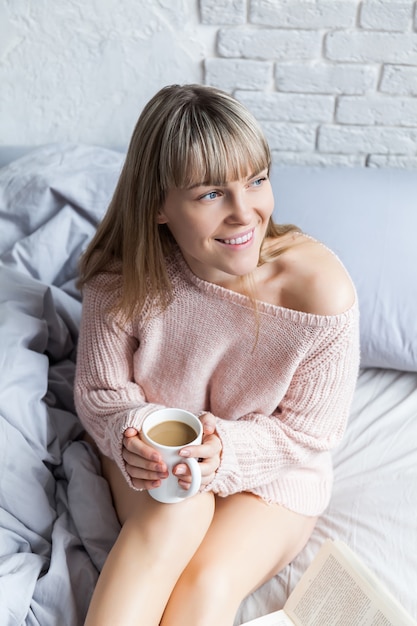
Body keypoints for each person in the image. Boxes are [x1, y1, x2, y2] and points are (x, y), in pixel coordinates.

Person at [74, 83, 360, 626]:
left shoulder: (319, 293)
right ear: (157, 205)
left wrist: (224, 451)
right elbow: (101, 393)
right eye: (210, 194)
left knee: (205, 585)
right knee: (172, 521)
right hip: (157, 452)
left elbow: (309, 433)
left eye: (256, 181)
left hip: (273, 472)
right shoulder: (120, 274)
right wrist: (133, 433)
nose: (244, 213)